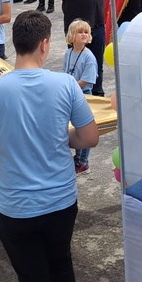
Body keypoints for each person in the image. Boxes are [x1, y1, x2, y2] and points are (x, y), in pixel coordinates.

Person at [0, 11, 99, 282]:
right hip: (61, 202)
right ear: (44, 44)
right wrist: (57, 136)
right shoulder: (66, 84)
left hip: (15, 208)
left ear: (15, 43)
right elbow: (90, 137)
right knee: (61, 264)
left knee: (31, 277)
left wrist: (4, 137)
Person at [62, 19, 98, 175]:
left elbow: (87, 80)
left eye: (86, 32)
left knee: (84, 129)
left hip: (84, 96)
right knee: (75, 128)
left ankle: (83, 161)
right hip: (71, 94)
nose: (84, 35)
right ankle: (78, 157)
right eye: (80, 32)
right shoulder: (68, 53)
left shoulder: (89, 57)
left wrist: (69, 87)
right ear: (72, 35)